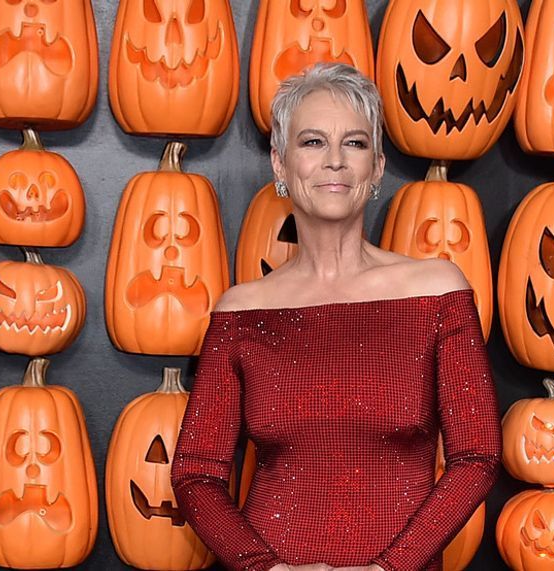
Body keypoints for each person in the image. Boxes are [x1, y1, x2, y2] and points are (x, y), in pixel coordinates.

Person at [171, 63, 501, 571]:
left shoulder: (438, 291)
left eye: (354, 143)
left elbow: (477, 457)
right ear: (280, 165)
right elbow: (196, 472)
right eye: (312, 142)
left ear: (377, 166)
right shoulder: (240, 312)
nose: (334, 162)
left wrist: (389, 568)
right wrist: (266, 569)